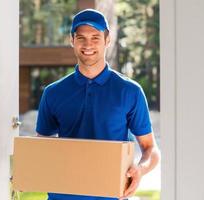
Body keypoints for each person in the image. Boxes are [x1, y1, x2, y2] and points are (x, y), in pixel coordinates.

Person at [36, 9, 160, 200]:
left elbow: (150, 148)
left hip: (110, 196)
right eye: (81, 38)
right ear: (72, 40)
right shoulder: (53, 93)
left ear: (107, 40)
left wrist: (140, 170)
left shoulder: (129, 91)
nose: (88, 44)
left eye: (95, 37)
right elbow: (41, 147)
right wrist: (29, 167)